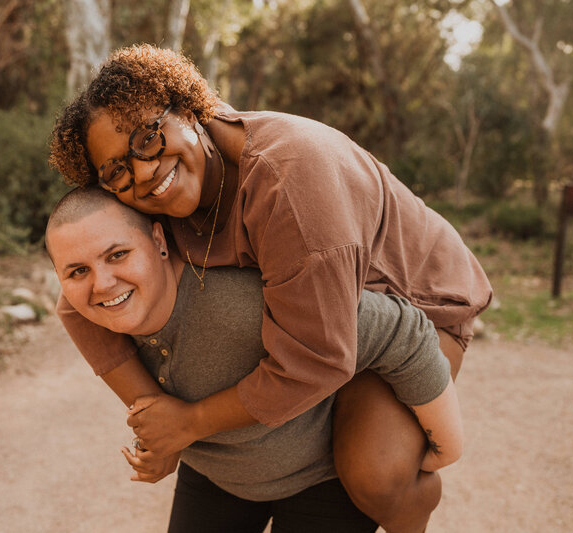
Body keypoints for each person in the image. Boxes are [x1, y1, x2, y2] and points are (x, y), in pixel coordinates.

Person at [49, 44, 492, 532]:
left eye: (148, 138)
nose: (144, 171)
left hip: (414, 303)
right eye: (115, 170)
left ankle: (411, 503)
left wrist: (189, 424)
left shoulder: (291, 182)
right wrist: (155, 418)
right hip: (329, 311)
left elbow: (317, 359)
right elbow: (76, 306)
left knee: (374, 473)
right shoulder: (162, 194)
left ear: (191, 109)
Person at [45, 187, 463, 533]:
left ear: (158, 241)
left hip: (321, 477)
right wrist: (160, 441)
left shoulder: (247, 299)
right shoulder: (88, 314)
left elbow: (401, 330)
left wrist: (448, 442)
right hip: (214, 477)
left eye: (118, 255)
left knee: (381, 479)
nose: (102, 283)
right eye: (77, 272)